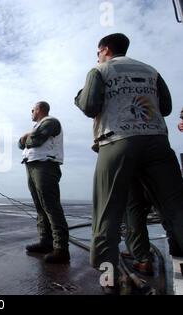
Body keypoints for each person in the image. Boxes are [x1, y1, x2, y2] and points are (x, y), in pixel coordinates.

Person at [75, 33, 183, 294]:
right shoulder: (151, 71)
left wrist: (79, 96)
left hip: (118, 142)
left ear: (105, 49)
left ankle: (108, 279)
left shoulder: (100, 70)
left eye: (97, 51)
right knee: (176, 211)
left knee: (107, 215)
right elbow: (166, 107)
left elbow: (90, 106)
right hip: (157, 142)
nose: (97, 55)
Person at [19, 101, 70, 264]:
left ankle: (61, 249)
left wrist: (27, 137)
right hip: (33, 165)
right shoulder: (39, 126)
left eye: (32, 109)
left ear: (39, 109)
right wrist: (26, 138)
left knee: (51, 206)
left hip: (45, 166)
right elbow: (20, 144)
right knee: (40, 206)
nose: (31, 112)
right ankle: (46, 241)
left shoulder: (50, 122)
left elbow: (36, 140)